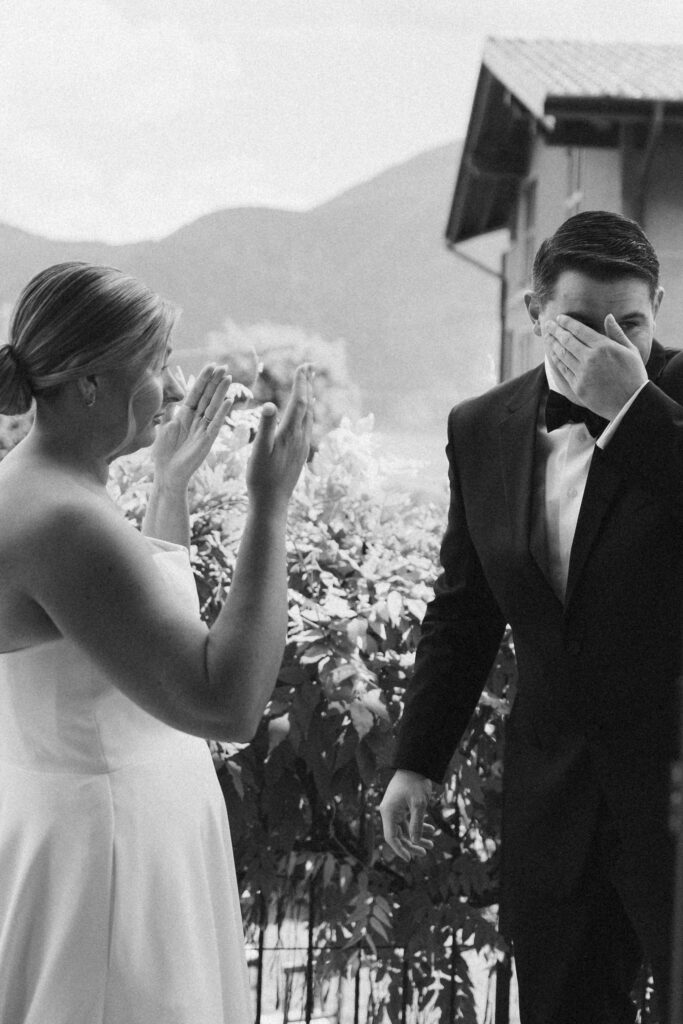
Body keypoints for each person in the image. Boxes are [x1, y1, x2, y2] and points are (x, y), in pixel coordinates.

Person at [379, 211, 683, 1023]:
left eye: (631, 325)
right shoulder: (479, 428)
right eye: (580, 325)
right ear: (531, 312)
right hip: (555, 796)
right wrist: (419, 758)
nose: (607, 345)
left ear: (659, 307)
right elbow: (463, 610)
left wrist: (633, 412)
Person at [0, 261, 314, 1024]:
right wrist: (269, 503)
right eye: (158, 366)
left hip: (110, 828)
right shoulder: (64, 519)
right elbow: (225, 700)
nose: (175, 391)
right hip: (112, 861)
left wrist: (169, 484)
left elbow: (121, 640)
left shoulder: (49, 489)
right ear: (89, 384)